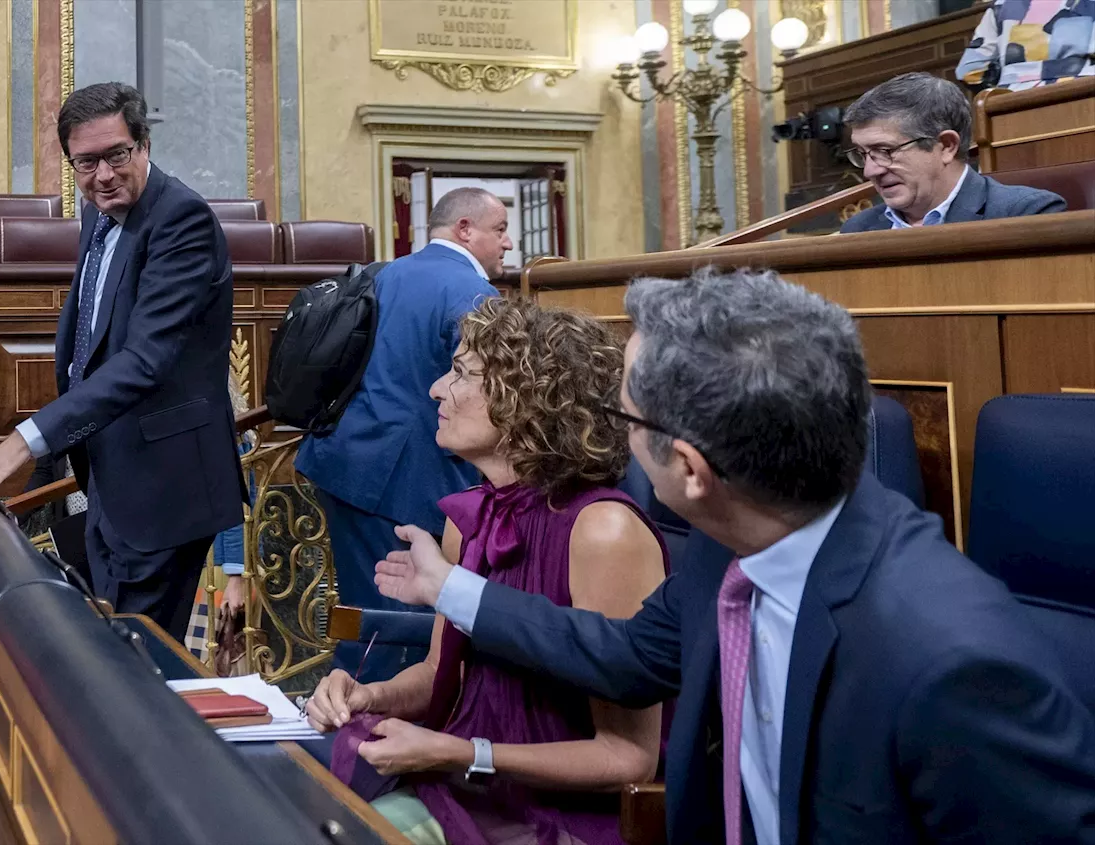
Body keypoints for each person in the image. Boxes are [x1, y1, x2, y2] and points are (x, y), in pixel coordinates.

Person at [375, 269, 1096, 845]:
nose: (608, 437)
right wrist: (453, 590)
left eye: (623, 416)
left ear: (690, 469)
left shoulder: (951, 663)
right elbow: (624, 656)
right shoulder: (729, 549)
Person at [305, 297, 669, 845]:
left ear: (529, 398)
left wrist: (462, 753)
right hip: (460, 783)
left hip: (556, 818)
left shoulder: (604, 533)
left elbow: (628, 758)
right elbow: (439, 677)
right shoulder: (470, 518)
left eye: (460, 372)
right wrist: (367, 695)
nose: (436, 390)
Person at [0, 82, 244, 643]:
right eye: (86, 162)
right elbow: (91, 338)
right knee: (117, 653)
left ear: (144, 145)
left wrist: (22, 443)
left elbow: (144, 361)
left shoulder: (182, 221)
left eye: (117, 155)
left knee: (132, 665)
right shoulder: (98, 213)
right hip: (110, 470)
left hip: (163, 486)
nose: (103, 175)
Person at [283, 187, 507, 682]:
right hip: (406, 480)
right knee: (401, 627)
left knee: (365, 612)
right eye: (499, 230)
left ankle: (350, 725)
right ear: (464, 229)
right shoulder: (473, 294)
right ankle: (374, 739)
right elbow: (485, 395)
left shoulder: (385, 272)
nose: (507, 243)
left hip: (343, 461)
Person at [839, 72, 1066, 233]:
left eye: (884, 150)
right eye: (862, 154)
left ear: (947, 146)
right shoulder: (858, 229)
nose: (870, 170)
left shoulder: (1026, 215)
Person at [957, 0, 1095, 91]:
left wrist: (1012, 76)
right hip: (1083, 95)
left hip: (1013, 104)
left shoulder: (1002, 5)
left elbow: (968, 72)